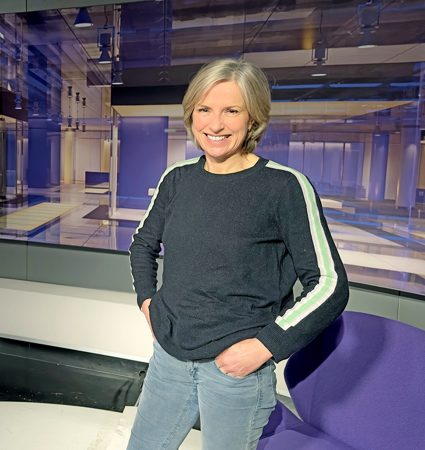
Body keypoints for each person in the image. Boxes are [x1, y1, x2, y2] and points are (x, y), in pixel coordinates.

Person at [127, 58, 349, 450]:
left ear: (253, 119)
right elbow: (142, 244)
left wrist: (264, 347)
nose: (215, 124)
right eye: (204, 110)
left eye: (231, 110)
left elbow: (329, 284)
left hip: (235, 372)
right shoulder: (177, 179)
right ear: (191, 115)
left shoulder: (284, 187)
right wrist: (148, 301)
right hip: (169, 358)